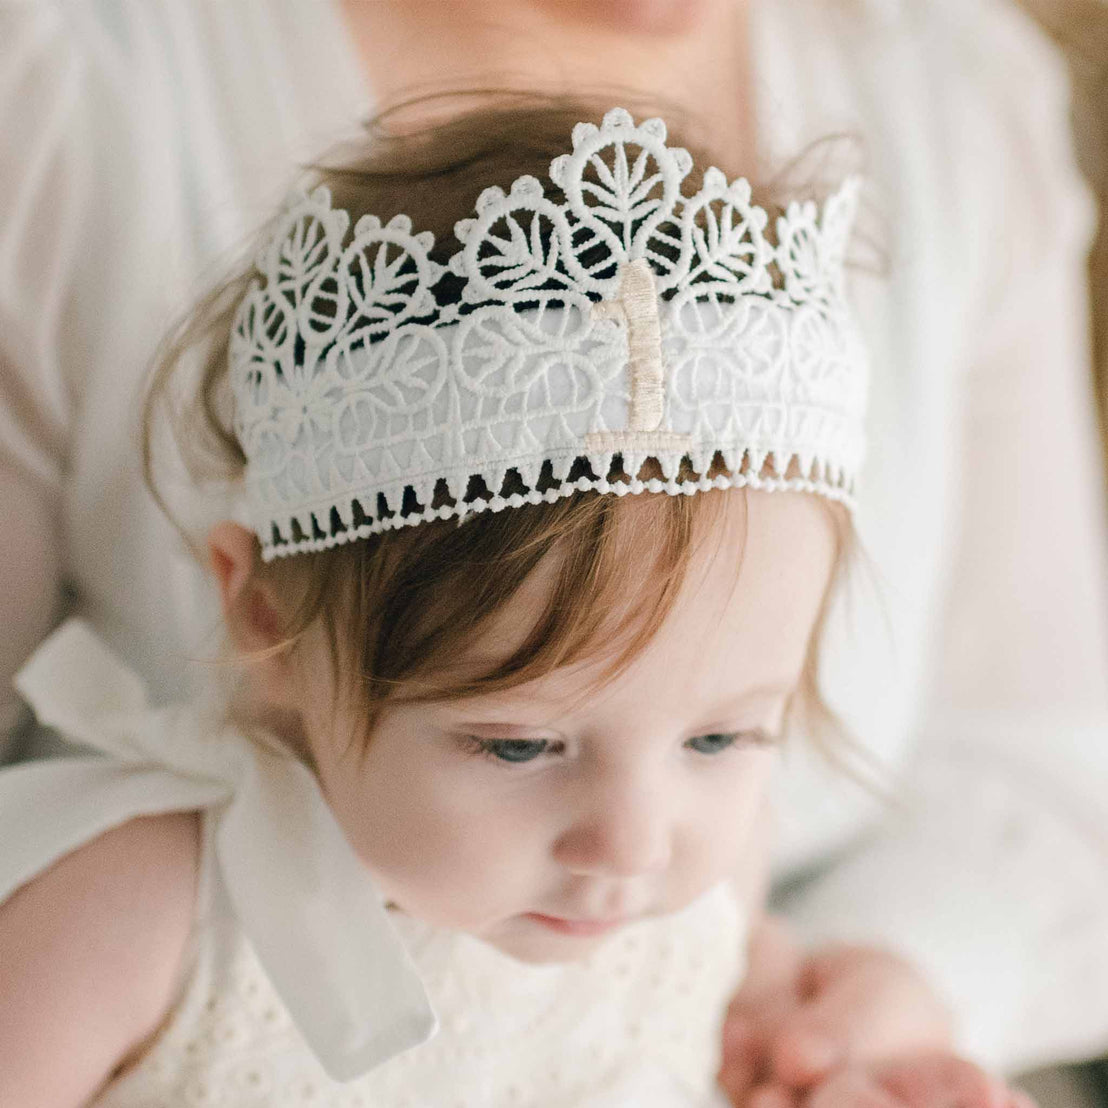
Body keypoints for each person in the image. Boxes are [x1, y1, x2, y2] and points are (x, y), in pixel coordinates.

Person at [2, 0, 1107, 1098]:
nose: (629, 844)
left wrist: (847, 1048)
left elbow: (1038, 778)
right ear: (266, 618)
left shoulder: (705, 921)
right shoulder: (138, 919)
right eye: (518, 744)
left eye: (721, 737)